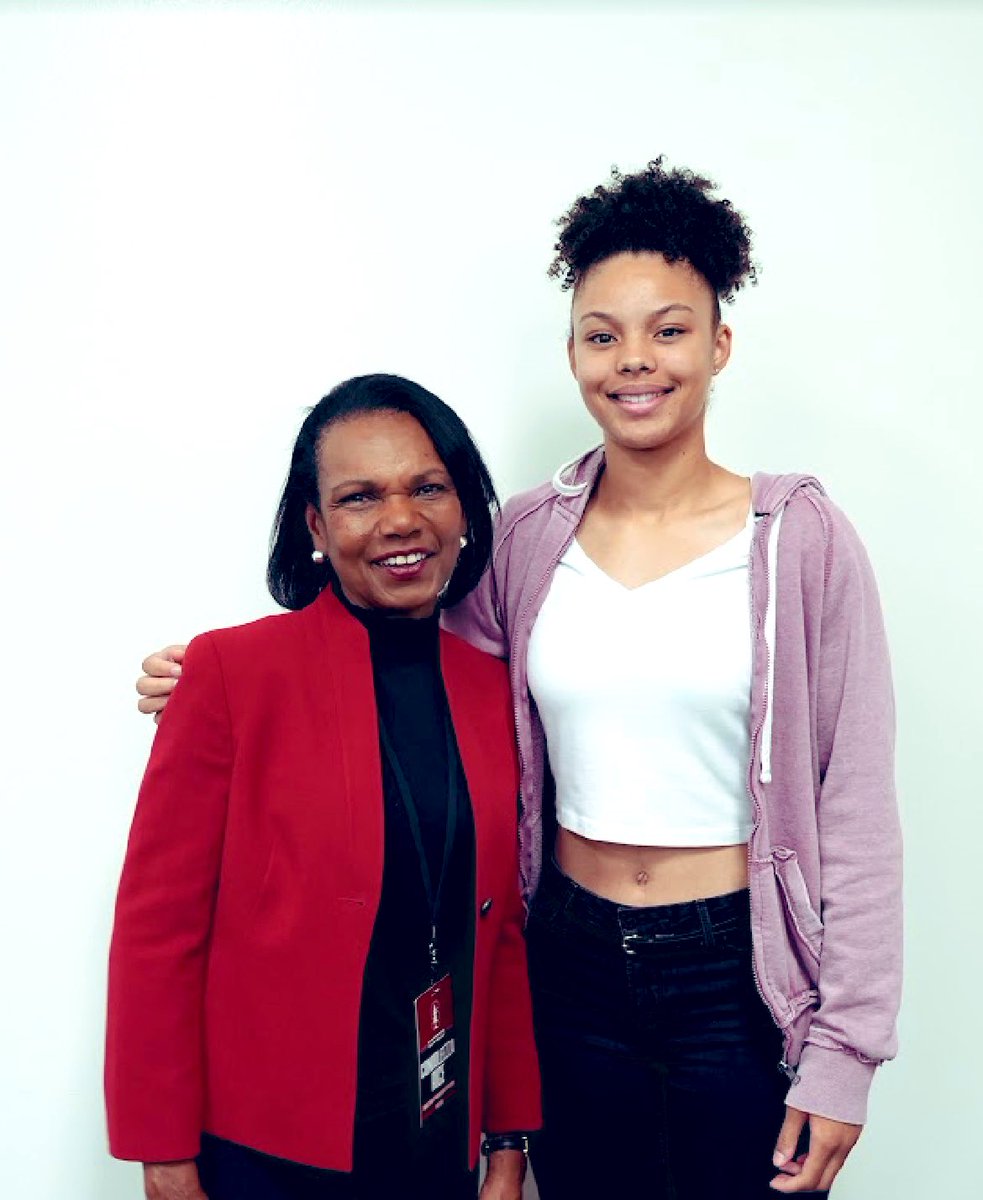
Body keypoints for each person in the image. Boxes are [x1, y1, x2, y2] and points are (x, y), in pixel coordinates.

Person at [137, 160, 901, 1199]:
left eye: (668, 329)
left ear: (718, 344)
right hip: (566, 961)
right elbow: (392, 644)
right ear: (574, 353)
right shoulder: (530, 541)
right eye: (601, 333)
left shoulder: (799, 538)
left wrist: (845, 1052)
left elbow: (851, 807)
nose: (634, 360)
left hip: (736, 975)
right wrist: (215, 675)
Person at [108, 374, 541, 1200]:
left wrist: (508, 1141)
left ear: (464, 509)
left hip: (440, 1139)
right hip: (269, 1150)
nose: (400, 521)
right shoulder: (230, 675)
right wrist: (162, 1158)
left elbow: (504, 933)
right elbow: (157, 933)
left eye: (427, 488)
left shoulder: (495, 690)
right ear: (315, 524)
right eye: (358, 497)